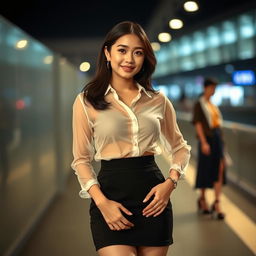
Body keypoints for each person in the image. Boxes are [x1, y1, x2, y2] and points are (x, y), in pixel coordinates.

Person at [71, 21, 191, 256]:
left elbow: (180, 147)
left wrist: (170, 182)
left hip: (153, 198)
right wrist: (102, 203)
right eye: (122, 50)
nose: (129, 59)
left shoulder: (158, 100)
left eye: (138, 53)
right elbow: (81, 160)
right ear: (107, 52)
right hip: (109, 196)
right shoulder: (86, 101)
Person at [192, 77, 226, 220]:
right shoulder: (199, 104)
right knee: (205, 169)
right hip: (207, 140)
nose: (213, 90)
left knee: (219, 168)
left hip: (217, 139)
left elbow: (217, 123)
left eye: (215, 88)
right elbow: (198, 123)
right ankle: (203, 199)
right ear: (205, 88)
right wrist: (204, 142)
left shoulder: (212, 104)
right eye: (212, 88)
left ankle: (217, 202)